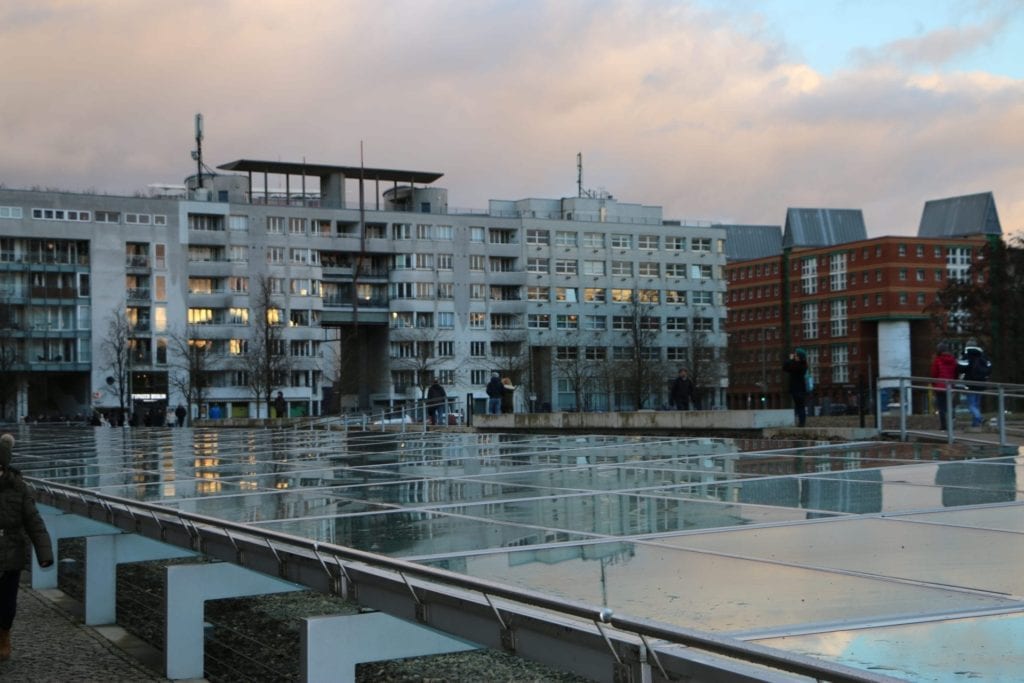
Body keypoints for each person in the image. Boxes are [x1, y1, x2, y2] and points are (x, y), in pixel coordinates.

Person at [0, 433, 54, 661]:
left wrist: (45, 554)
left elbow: (34, 522)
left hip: (10, 553)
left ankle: (3, 636)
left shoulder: (19, 487)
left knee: (6, 604)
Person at [958, 340, 992, 428]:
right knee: (977, 404)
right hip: (981, 383)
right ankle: (975, 424)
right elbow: (989, 367)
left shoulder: (967, 355)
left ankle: (979, 418)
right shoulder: (982, 355)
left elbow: (961, 368)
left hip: (970, 383)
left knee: (971, 405)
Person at [930, 342, 958, 431]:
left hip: (940, 386)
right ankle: (952, 424)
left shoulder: (937, 360)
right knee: (951, 406)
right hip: (950, 385)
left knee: (941, 407)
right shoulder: (953, 360)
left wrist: (934, 384)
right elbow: (956, 373)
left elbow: (934, 373)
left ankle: (944, 426)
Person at [783, 348, 809, 427]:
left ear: (799, 357)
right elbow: (785, 367)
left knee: (800, 406)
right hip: (797, 388)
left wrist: (790, 360)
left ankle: (801, 422)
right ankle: (800, 422)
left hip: (798, 388)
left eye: (796, 355)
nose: (795, 356)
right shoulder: (799, 364)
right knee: (799, 406)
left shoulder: (801, 366)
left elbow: (790, 367)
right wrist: (791, 360)